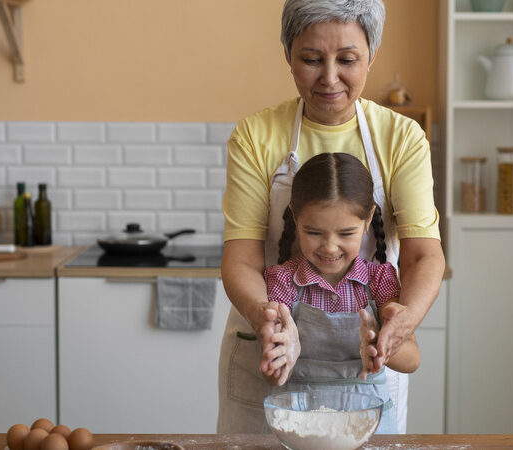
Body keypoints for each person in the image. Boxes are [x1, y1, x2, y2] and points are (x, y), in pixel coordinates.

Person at [218, 0, 445, 434]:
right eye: (311, 59)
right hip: (270, 376)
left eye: (347, 59)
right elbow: (242, 259)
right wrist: (265, 317)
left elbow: (422, 257)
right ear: (288, 55)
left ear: (371, 55)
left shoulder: (401, 138)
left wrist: (401, 324)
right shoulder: (256, 135)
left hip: (367, 387)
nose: (329, 77)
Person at [261, 152, 420, 434]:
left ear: (368, 218)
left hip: (371, 429)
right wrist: (280, 355)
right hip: (304, 429)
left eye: (346, 234)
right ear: (295, 217)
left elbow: (412, 359)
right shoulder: (283, 280)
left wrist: (381, 349)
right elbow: (275, 376)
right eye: (314, 232)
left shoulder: (380, 280)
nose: (330, 247)